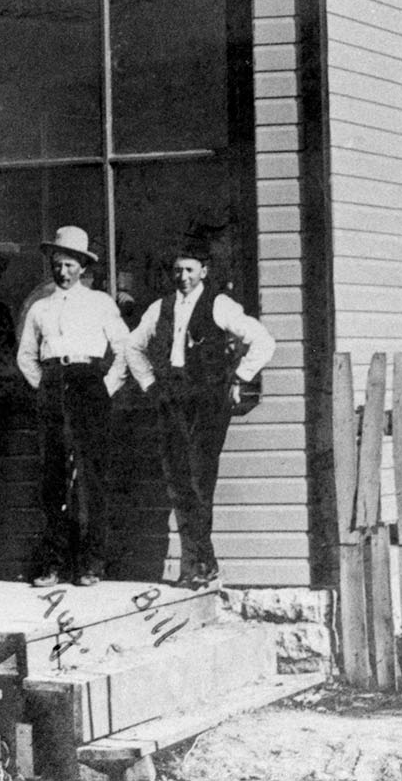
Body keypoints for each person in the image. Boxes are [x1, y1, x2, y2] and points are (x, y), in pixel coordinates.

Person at [125, 243, 275, 588]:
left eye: (190, 270)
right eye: (178, 270)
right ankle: (202, 562)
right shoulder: (160, 307)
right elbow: (132, 346)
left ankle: (195, 563)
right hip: (172, 399)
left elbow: (264, 341)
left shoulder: (219, 304)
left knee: (199, 480)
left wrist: (240, 377)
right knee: (178, 480)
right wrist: (149, 383)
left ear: (203, 272)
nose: (183, 276)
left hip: (207, 401)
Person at [16, 225, 130, 588]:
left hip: (88, 384)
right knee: (53, 478)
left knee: (90, 478)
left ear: (83, 266)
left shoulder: (100, 303)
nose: (62, 271)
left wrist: (104, 388)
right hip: (53, 384)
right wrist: (45, 387)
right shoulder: (40, 307)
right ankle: (54, 563)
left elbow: (124, 350)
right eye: (57, 264)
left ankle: (91, 563)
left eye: (69, 265)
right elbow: (25, 356)